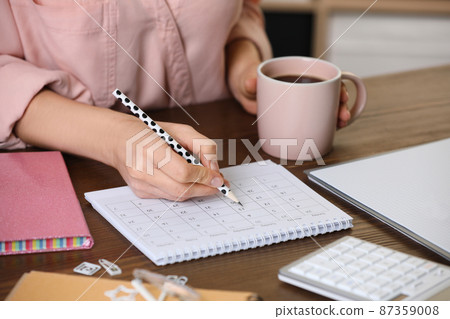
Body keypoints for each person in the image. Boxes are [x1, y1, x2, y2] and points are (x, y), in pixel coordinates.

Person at [0, 0, 350, 200]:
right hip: (60, 177)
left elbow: (241, 10)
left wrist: (242, 64)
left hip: (222, 129)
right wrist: (116, 137)